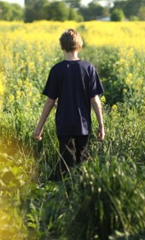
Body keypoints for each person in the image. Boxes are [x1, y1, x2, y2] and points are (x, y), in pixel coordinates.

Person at [34, 29, 105, 177]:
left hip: (64, 125)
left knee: (67, 165)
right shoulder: (88, 68)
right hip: (83, 125)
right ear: (80, 46)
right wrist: (101, 125)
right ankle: (82, 193)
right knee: (83, 163)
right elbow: (95, 101)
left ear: (62, 46)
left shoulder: (57, 70)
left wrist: (39, 127)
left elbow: (49, 102)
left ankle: (67, 194)